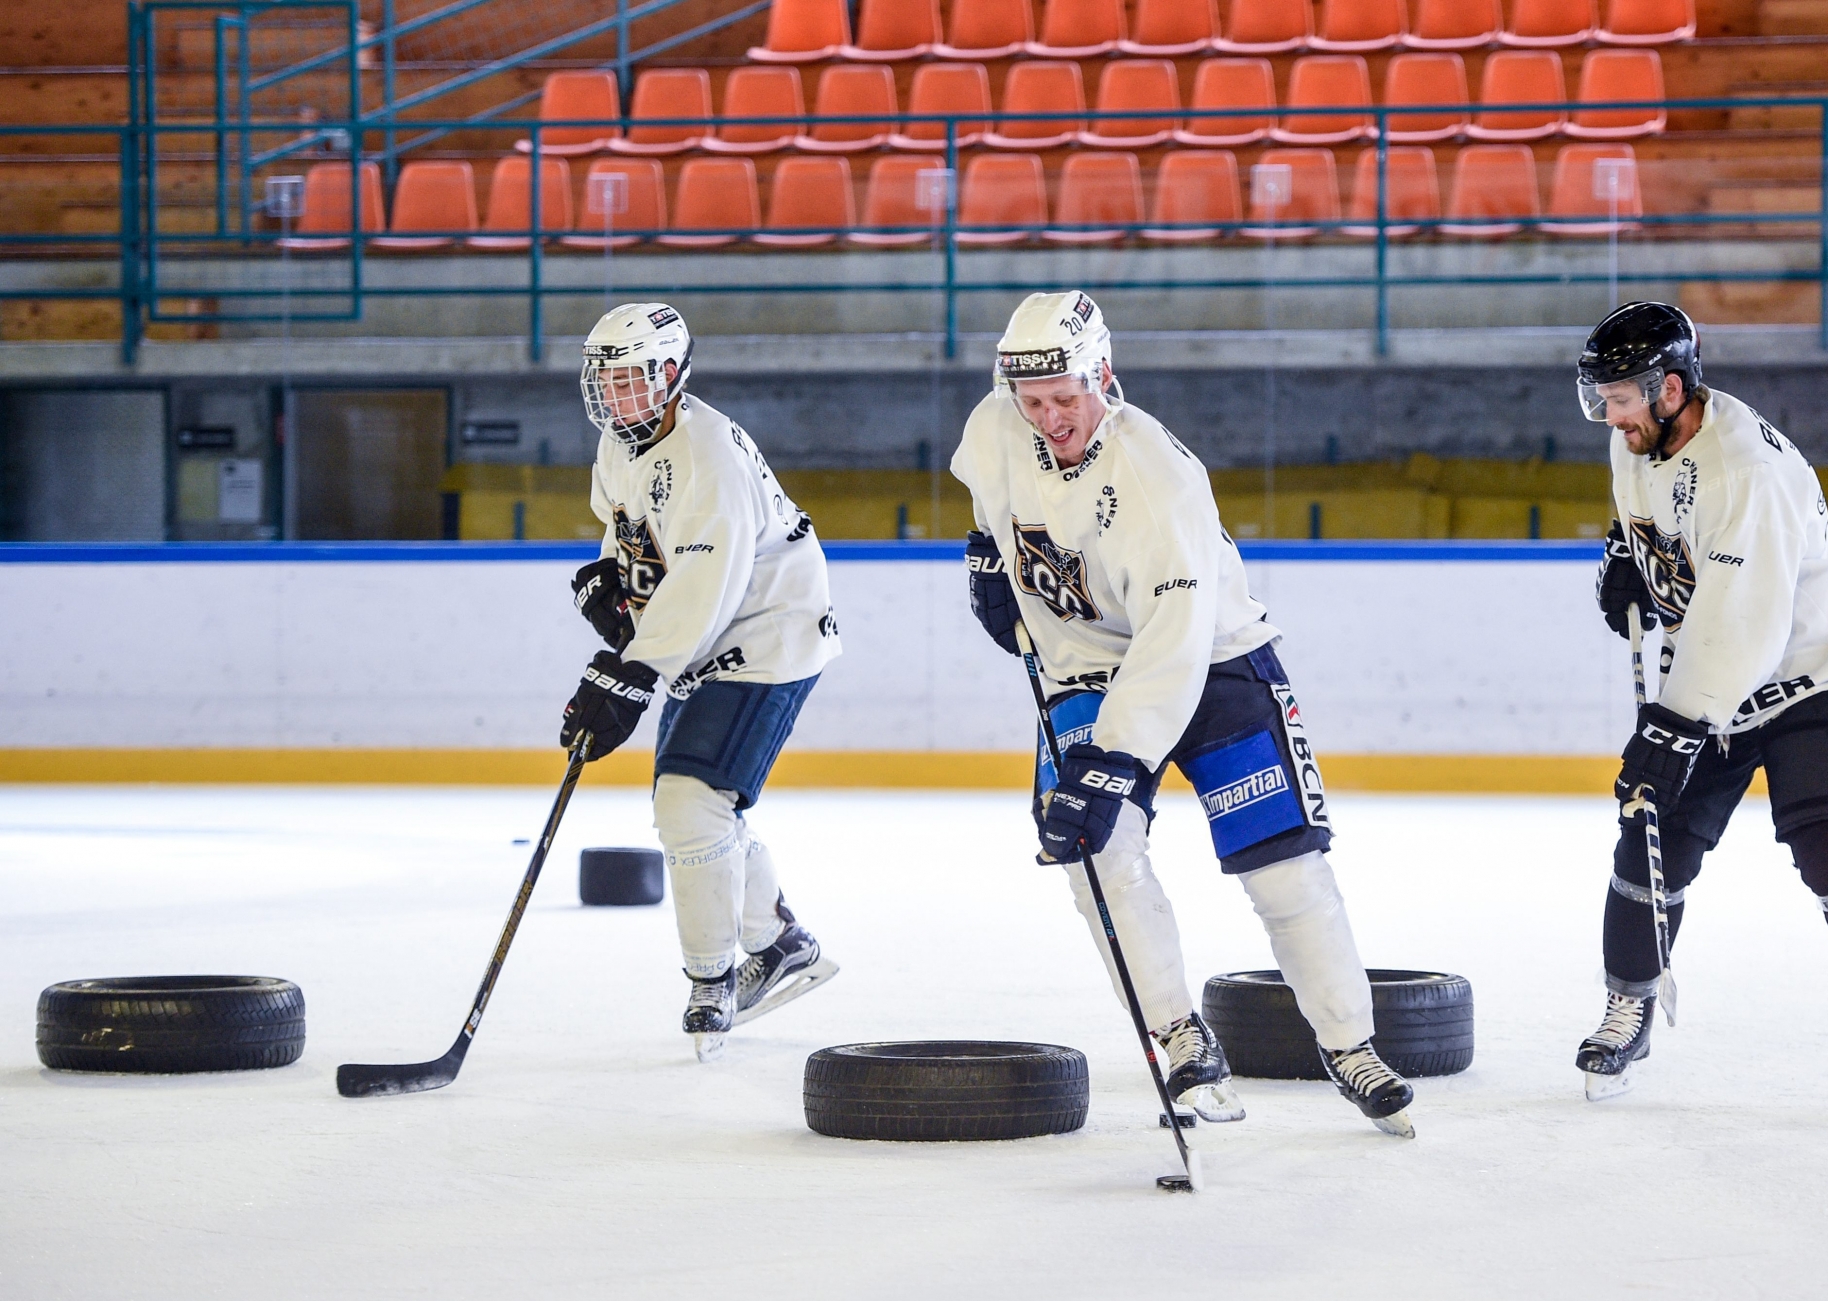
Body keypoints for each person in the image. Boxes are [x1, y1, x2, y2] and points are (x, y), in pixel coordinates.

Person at [950, 290, 1415, 1137]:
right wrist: (987, 555)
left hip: (1214, 659)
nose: (1051, 417)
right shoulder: (994, 428)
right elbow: (991, 502)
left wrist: (1116, 759)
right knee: (1094, 850)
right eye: (1035, 399)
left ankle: (1350, 1044)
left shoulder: (1157, 476)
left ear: (1105, 376)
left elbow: (1174, 636)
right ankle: (1180, 1037)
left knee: (1282, 869)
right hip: (1086, 668)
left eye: (1068, 397)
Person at [1576, 301, 1828, 1115]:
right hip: (1713, 669)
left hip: (1810, 670)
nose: (1609, 412)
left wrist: (1672, 729)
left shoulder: (1746, 469)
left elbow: (1745, 625)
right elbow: (1656, 530)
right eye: (1602, 396)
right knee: (1650, 830)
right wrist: (1629, 564)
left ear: (1671, 388)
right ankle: (1630, 1001)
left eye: (1622, 396)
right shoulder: (1634, 440)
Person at [557, 302, 841, 1062]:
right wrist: (611, 585)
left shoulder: (708, 454)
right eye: (607, 382)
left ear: (674, 374)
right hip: (705, 634)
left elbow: (703, 587)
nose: (619, 397)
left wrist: (630, 671)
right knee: (691, 808)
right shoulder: (619, 447)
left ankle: (714, 977)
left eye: (634, 379)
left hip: (765, 631)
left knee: (690, 805)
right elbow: (631, 535)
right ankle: (779, 943)